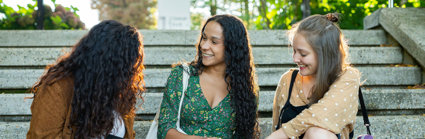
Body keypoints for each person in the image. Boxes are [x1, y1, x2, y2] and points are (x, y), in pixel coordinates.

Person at [27, 20, 145, 139]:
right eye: (124, 65)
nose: (130, 72)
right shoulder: (57, 88)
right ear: (107, 63)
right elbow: (42, 136)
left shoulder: (121, 93)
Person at [157, 14, 260, 139]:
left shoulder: (244, 89)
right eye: (204, 38)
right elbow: (164, 129)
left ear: (232, 47)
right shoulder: (181, 75)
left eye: (214, 42)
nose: (204, 46)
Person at [266, 13, 361, 139]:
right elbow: (276, 126)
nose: (295, 58)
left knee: (317, 134)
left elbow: (320, 115)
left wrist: (282, 134)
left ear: (325, 54)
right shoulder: (288, 80)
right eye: (294, 51)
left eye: (303, 54)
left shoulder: (347, 77)